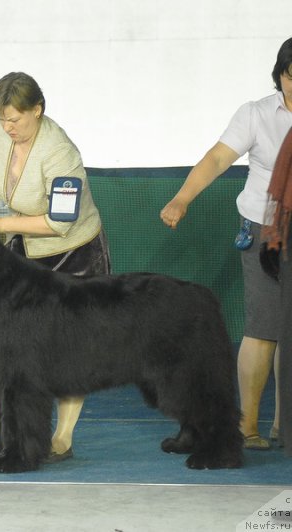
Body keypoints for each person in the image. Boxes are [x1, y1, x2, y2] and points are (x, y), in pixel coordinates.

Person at [0, 72, 111, 462]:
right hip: (27, 255)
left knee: (71, 350)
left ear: (38, 110)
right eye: (1, 118)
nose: (7, 126)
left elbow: (60, 222)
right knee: (9, 348)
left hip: (74, 254)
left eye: (15, 119)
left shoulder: (61, 152)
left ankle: (61, 437)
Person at [160, 37, 292, 451]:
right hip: (264, 233)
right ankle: (247, 426)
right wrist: (182, 198)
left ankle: (282, 427)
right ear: (280, 75)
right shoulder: (255, 114)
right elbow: (218, 158)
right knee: (263, 328)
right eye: (291, 76)